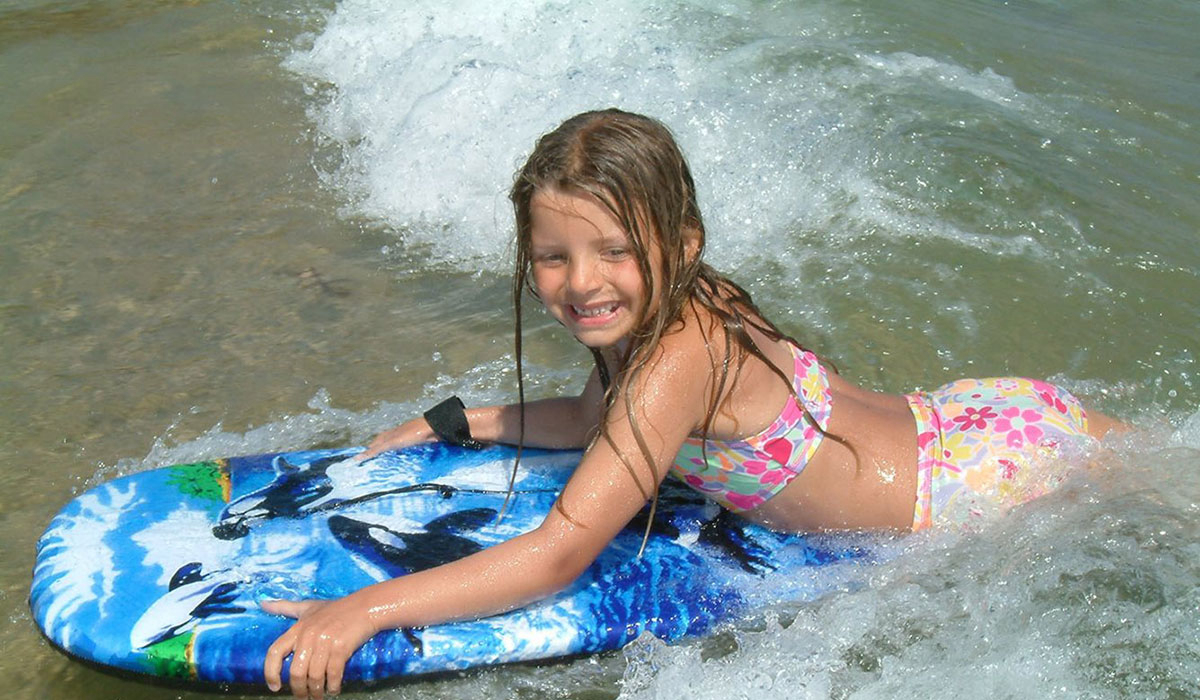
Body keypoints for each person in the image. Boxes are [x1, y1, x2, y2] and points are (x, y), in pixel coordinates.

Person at [262, 109, 1124, 697]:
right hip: (974, 417)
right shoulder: (677, 308)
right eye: (554, 256)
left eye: (612, 250)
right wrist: (461, 422)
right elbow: (597, 419)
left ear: (682, 243)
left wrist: (365, 608)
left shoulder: (677, 358)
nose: (582, 282)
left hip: (977, 484)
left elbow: (561, 552)